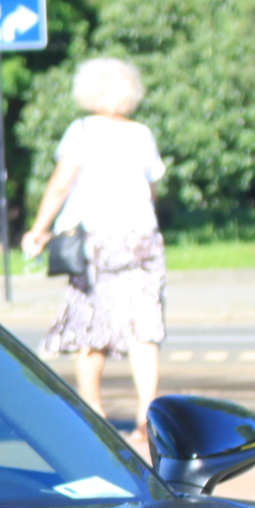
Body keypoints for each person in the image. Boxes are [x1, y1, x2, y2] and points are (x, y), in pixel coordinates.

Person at [21, 57, 167, 450]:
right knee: (144, 326)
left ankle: (96, 415)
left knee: (92, 322)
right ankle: (146, 418)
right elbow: (152, 188)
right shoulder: (142, 133)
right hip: (142, 236)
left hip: (95, 239)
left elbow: (60, 185)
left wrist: (39, 228)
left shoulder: (81, 130)